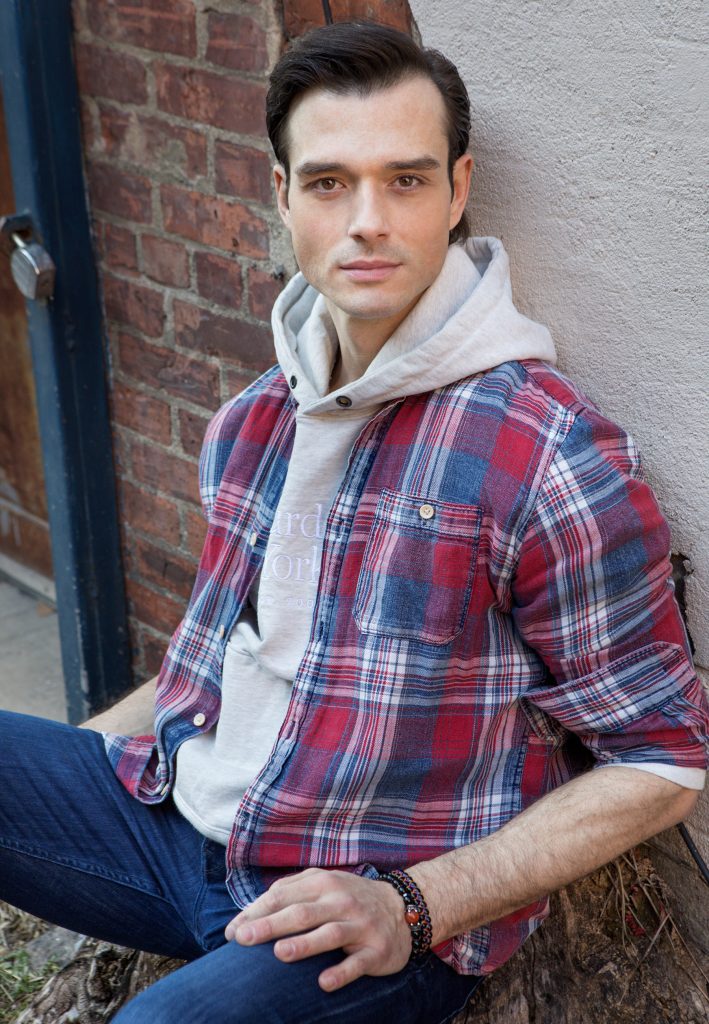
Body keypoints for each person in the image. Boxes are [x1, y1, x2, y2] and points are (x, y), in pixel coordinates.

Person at [1, 21, 707, 1024]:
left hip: (360, 907)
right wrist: (57, 787)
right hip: (176, 831)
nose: (366, 221)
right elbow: (216, 662)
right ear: (282, 195)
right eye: (329, 182)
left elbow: (663, 757)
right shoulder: (255, 419)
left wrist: (415, 906)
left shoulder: (545, 456)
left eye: (404, 180)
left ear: (456, 191)